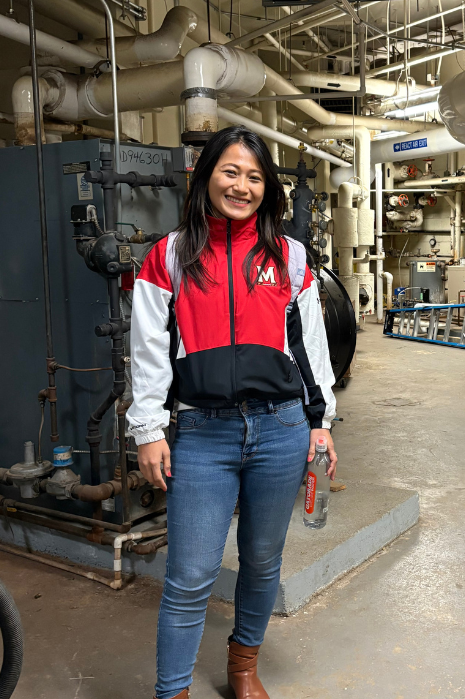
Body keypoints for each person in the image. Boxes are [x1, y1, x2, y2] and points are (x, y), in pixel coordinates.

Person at [126, 125, 337, 699]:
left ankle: (243, 668)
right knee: (190, 576)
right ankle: (172, 692)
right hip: (202, 433)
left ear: (267, 188)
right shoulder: (168, 256)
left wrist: (321, 423)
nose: (242, 186)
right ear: (204, 176)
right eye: (230, 171)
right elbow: (146, 352)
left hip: (282, 428)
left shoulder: (290, 258)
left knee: (263, 561)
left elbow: (310, 348)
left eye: (254, 176)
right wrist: (148, 428)